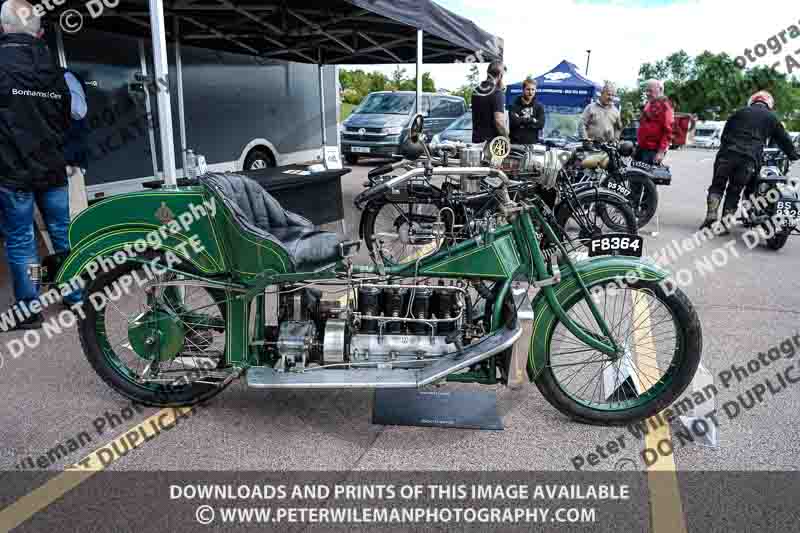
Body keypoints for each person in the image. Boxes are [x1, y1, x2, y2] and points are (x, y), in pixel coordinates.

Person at [0, 0, 77, 330]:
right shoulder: (55, 70)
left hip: (13, 171)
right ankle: (76, 295)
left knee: (21, 241)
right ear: (38, 32)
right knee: (62, 234)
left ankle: (29, 311)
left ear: (3, 28)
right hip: (53, 169)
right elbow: (67, 118)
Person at [700, 91, 800, 231]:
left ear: (752, 101)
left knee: (717, 186)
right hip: (749, 159)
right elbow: (784, 140)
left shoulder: (738, 113)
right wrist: (793, 156)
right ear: (769, 104)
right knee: (735, 190)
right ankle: (725, 224)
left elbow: (724, 135)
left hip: (726, 155)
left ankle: (711, 214)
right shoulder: (772, 118)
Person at [63, 68, 90, 217]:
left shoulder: (66, 77)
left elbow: (78, 112)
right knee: (73, 211)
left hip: (66, 156)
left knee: (74, 211)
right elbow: (78, 111)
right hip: (64, 155)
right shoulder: (64, 76)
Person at [635, 79, 674, 165]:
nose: (647, 93)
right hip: (642, 148)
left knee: (645, 173)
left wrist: (661, 151)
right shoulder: (649, 103)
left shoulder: (666, 106)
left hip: (652, 151)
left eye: (650, 91)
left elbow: (668, 131)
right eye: (646, 91)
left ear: (660, 90)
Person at [471, 61, 508, 143]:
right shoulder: (497, 92)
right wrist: (507, 137)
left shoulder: (476, 91)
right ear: (500, 75)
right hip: (492, 143)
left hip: (477, 140)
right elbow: (499, 121)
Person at [509, 78, 545, 144]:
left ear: (535, 90)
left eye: (533, 89)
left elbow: (541, 125)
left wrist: (520, 119)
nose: (530, 92)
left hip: (532, 143)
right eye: (528, 89)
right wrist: (532, 120)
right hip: (515, 143)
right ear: (523, 90)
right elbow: (513, 122)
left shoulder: (539, 107)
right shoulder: (514, 105)